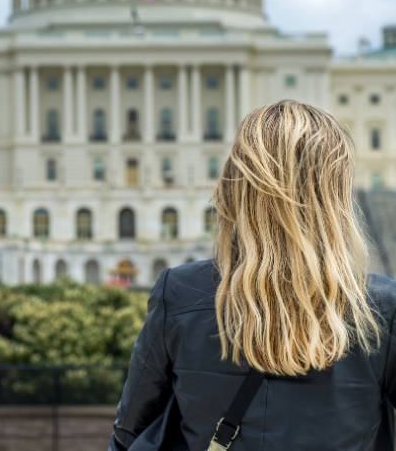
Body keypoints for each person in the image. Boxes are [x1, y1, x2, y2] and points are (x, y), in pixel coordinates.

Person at [110, 100, 396, 451]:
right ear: (335, 194)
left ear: (236, 183)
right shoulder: (382, 306)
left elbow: (130, 434)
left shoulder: (180, 293)